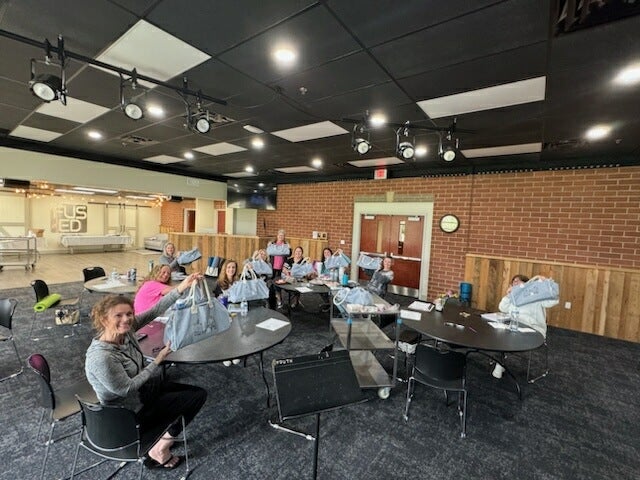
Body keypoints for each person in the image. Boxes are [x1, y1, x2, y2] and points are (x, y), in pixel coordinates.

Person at [85, 275, 206, 470]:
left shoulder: (126, 331)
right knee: (192, 399)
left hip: (141, 393)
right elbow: (126, 388)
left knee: (196, 394)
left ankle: (165, 436)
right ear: (103, 319)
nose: (126, 319)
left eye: (129, 314)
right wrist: (158, 360)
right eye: (118, 315)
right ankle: (159, 448)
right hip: (129, 412)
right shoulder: (101, 357)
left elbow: (155, 310)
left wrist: (182, 286)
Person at [492, 274, 559, 378]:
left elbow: (553, 300)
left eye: (519, 281)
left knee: (506, 337)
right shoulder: (514, 297)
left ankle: (499, 363)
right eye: (514, 282)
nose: (516, 283)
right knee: (499, 333)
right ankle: (500, 361)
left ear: (527, 284)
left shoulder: (536, 296)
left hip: (534, 330)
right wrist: (509, 295)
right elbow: (502, 308)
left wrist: (546, 282)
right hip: (514, 328)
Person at [133, 265, 198, 314]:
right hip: (146, 321)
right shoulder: (152, 284)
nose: (166, 275)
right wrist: (188, 282)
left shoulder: (150, 283)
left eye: (168, 273)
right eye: (163, 272)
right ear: (156, 272)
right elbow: (175, 290)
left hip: (145, 317)